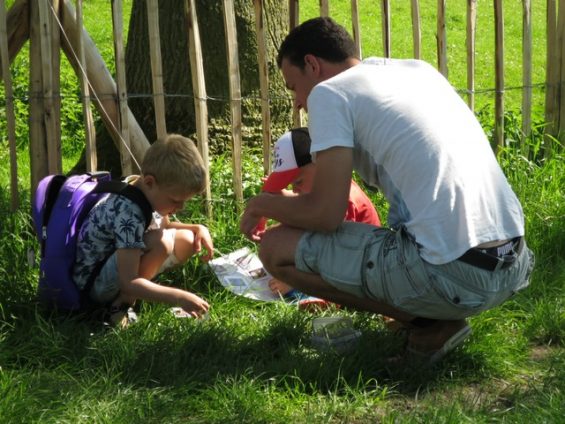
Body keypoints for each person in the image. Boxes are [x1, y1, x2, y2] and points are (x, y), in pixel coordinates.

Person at [240, 17, 534, 364]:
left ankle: (431, 325)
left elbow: (325, 214)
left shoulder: (329, 93)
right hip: (513, 262)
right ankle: (428, 311)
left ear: (313, 65)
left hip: (455, 275)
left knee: (276, 249)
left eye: (293, 88)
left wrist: (262, 204)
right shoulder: (417, 72)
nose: (299, 104)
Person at [73, 134, 213, 327]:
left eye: (184, 201)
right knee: (162, 243)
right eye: (175, 200)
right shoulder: (129, 213)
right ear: (149, 182)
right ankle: (119, 307)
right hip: (95, 284)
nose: (181, 207)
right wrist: (179, 297)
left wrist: (198, 228)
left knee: (186, 240)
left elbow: (164, 226)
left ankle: (134, 293)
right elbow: (128, 281)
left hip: (115, 264)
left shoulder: (142, 190)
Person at [260, 127, 380, 300]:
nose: (295, 189)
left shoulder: (341, 201)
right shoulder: (327, 192)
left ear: (322, 164)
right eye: (291, 185)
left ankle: (315, 296)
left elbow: (336, 258)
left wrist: (295, 282)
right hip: (347, 261)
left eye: (298, 181)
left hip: (360, 274)